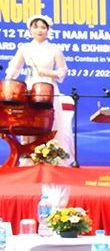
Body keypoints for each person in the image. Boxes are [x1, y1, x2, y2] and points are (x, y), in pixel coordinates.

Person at [6, 16, 74, 159]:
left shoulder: (55, 50)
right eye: (36, 27)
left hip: (49, 89)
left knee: (51, 123)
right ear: (30, 30)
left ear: (48, 30)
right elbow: (14, 68)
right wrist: (7, 83)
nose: (39, 30)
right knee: (30, 122)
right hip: (31, 89)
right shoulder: (25, 49)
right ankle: (30, 157)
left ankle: (53, 157)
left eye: (43, 27)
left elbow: (62, 72)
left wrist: (48, 73)